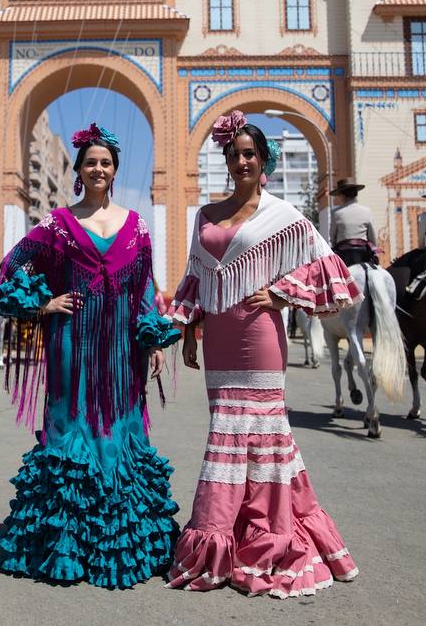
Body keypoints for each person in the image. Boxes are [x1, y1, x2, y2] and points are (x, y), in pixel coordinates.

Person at [167, 112, 360, 599]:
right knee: (225, 434)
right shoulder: (205, 216)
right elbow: (197, 277)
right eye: (234, 154)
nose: (241, 161)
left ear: (262, 160)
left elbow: (324, 263)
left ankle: (270, 533)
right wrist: (191, 333)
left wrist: (282, 295)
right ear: (226, 161)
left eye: (250, 153)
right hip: (220, 342)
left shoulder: (282, 215)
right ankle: (224, 535)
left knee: (264, 434)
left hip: (260, 337)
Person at [0, 122, 179, 588]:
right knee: (72, 431)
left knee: (121, 431)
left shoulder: (137, 224)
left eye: (106, 162)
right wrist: (42, 303)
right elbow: (9, 267)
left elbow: (145, 286)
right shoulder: (56, 223)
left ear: (114, 171)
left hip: (122, 348)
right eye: (90, 162)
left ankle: (120, 541)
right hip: (71, 340)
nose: (98, 168)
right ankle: (65, 545)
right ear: (80, 170)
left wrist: (151, 339)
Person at [328, 178, 378, 268]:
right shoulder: (367, 211)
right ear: (356, 194)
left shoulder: (336, 213)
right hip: (363, 254)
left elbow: (332, 238)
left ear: (342, 195)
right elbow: (372, 237)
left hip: (343, 255)